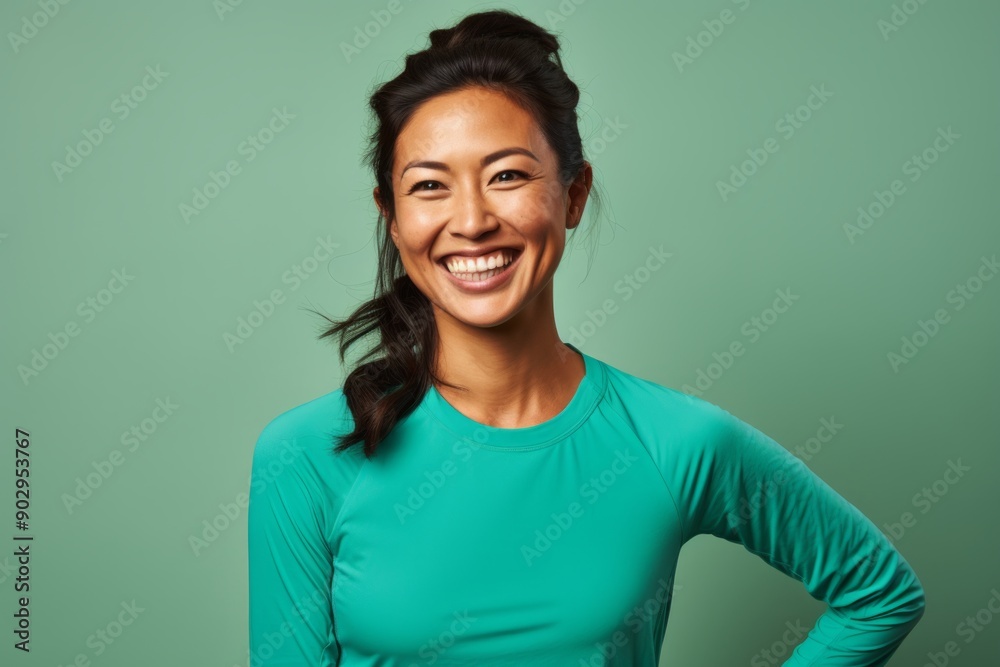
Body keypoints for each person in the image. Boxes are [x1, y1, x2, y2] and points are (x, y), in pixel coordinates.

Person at [247, 9, 926, 666]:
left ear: (573, 195)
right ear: (392, 217)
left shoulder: (674, 441)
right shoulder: (306, 455)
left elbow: (879, 593)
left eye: (507, 175)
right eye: (430, 185)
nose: (472, 219)